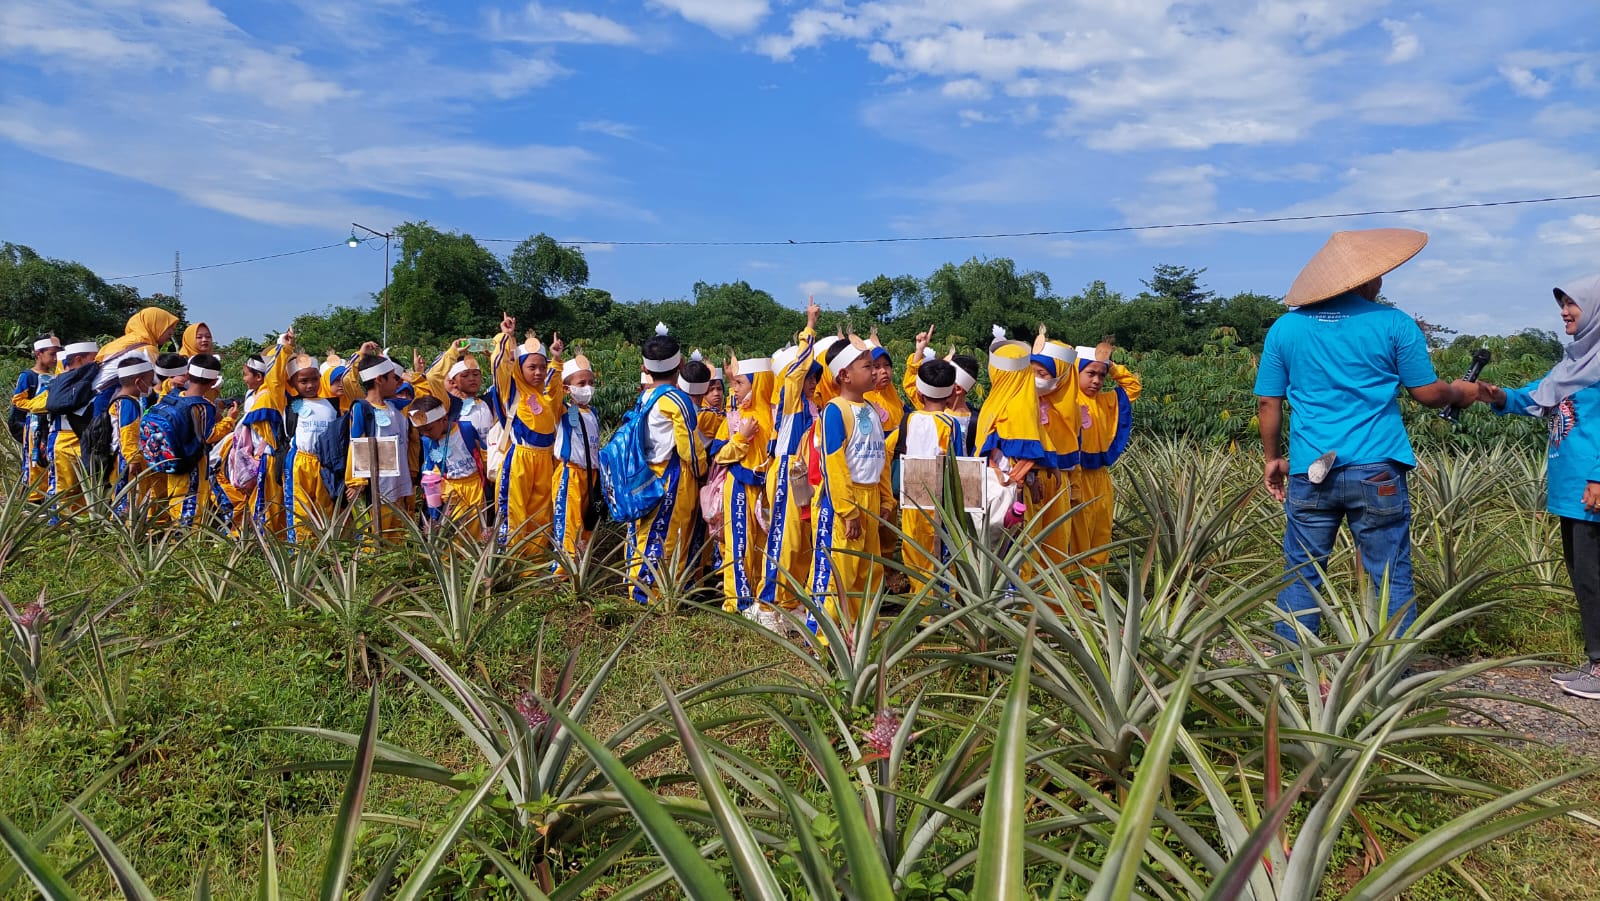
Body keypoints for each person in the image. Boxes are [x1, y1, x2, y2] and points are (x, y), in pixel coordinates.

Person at [1255, 228, 1478, 644]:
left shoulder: (1285, 329)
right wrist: (1459, 392)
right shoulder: (1394, 323)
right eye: (1377, 275)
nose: (1381, 281)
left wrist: (1274, 458)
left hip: (1310, 470)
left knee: (1302, 572)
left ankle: (1292, 679)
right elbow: (1428, 395)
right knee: (1389, 572)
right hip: (1377, 469)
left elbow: (1269, 403)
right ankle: (1391, 677)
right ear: (1363, 281)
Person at [1474, 274, 1600, 698]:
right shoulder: (1574, 364)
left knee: (1593, 575)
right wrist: (1493, 395)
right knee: (1582, 573)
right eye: (1562, 304)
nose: (1564, 312)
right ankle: (1595, 661)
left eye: (1572, 305)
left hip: (1592, 485)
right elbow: (1534, 399)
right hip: (1571, 485)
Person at [811, 336, 887, 628]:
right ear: (844, 375)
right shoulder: (834, 410)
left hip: (870, 499)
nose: (874, 371)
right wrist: (848, 510)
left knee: (870, 570)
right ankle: (824, 635)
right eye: (868, 366)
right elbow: (834, 464)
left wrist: (886, 501)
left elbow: (879, 458)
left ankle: (863, 629)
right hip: (844, 503)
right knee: (839, 570)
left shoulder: (870, 409)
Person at [628, 323, 707, 605]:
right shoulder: (677, 399)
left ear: (645, 367)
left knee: (646, 532)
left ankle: (646, 590)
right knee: (667, 535)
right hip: (672, 476)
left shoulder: (645, 396)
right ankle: (652, 595)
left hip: (646, 472)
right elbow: (688, 448)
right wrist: (702, 471)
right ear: (681, 364)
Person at [762, 302, 823, 618]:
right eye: (809, 378)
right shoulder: (789, 400)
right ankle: (769, 603)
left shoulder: (814, 407)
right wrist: (809, 326)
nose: (813, 383)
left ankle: (791, 599)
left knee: (801, 541)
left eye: (816, 378)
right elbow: (798, 368)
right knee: (784, 539)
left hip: (803, 474)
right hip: (787, 470)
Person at [490, 316, 564, 554]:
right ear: (520, 368)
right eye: (532, 367)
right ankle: (510, 564)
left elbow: (554, 387)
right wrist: (507, 337)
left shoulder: (543, 394)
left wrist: (556, 359)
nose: (539, 372)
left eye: (542, 367)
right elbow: (500, 367)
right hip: (520, 460)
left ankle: (532, 569)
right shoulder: (511, 390)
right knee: (515, 513)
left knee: (542, 514)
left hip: (545, 460)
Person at [713, 354, 775, 621]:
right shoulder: (735, 419)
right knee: (740, 543)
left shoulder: (774, 416)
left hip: (766, 490)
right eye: (734, 383)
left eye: (739, 383)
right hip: (738, 486)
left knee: (765, 544)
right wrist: (741, 438)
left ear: (758, 384)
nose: (734, 389)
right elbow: (718, 455)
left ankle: (763, 599)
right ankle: (738, 599)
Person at [1071, 341, 1142, 572]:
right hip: (1075, 477)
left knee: (1101, 535)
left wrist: (1110, 365)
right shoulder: (1067, 401)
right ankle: (1074, 594)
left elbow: (1132, 387)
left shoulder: (1106, 400)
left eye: (1101, 376)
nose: (1096, 381)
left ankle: (1093, 594)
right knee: (1077, 538)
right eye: (1090, 373)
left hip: (1100, 477)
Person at [899, 358, 965, 593]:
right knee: (942, 556)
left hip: (911, 497)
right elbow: (960, 464)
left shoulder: (909, 419)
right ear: (950, 392)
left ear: (919, 390)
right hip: (941, 501)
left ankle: (918, 605)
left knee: (914, 552)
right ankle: (942, 612)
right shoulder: (951, 423)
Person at [345, 352, 418, 540]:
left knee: (398, 538)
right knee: (374, 538)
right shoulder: (362, 408)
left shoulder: (398, 408)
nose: (399, 382)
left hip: (399, 487)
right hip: (378, 490)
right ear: (379, 379)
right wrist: (357, 483)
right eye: (394, 377)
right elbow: (357, 444)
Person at [160, 354, 237, 530]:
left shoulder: (173, 396)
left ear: (187, 375)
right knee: (192, 501)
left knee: (176, 496)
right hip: (193, 461)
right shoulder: (202, 406)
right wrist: (230, 420)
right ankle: (188, 541)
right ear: (213, 382)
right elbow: (209, 435)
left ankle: (175, 535)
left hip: (171, 456)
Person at [1028, 327, 1080, 570]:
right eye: (1032, 370)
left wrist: (1075, 490)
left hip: (1060, 482)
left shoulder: (1070, 411)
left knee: (1057, 543)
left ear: (1061, 376)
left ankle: (1055, 604)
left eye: (1042, 372)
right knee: (1027, 542)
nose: (1036, 377)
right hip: (1028, 477)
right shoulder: (1022, 401)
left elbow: (1074, 452)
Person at [281, 351, 340, 542]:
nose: (310, 385)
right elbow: (273, 383)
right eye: (303, 381)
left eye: (314, 379)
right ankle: (301, 550)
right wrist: (284, 348)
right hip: (300, 462)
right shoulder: (293, 404)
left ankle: (327, 548)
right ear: (292, 383)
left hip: (325, 463)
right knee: (300, 507)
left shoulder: (332, 404)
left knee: (326, 506)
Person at [410, 395, 486, 539]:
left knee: (475, 529)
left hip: (474, 486)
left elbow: (482, 453)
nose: (425, 434)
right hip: (450, 489)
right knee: (453, 531)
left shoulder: (466, 429)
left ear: (444, 419)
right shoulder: (428, 441)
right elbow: (429, 471)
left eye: (429, 429)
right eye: (421, 431)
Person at [552, 352, 601, 569]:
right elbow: (550, 391)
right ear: (566, 389)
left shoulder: (593, 412)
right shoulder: (562, 410)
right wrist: (556, 361)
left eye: (590, 382)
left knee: (587, 520)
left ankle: (582, 566)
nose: (587, 387)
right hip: (570, 473)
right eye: (581, 383)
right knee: (569, 523)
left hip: (591, 475)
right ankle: (563, 571)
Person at [13, 334, 60, 500]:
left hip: (51, 426)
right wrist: (39, 405)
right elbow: (18, 401)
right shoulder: (28, 376)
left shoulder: (56, 376)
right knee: (34, 463)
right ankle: (32, 500)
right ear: (39, 353)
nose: (55, 358)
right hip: (34, 426)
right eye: (52, 354)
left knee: (48, 461)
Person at [108, 356, 156, 518]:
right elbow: (128, 433)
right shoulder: (129, 403)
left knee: (123, 495)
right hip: (126, 458)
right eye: (149, 380)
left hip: (123, 456)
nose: (150, 385)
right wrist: (133, 459)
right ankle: (125, 528)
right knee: (128, 497)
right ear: (138, 381)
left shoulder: (120, 399)